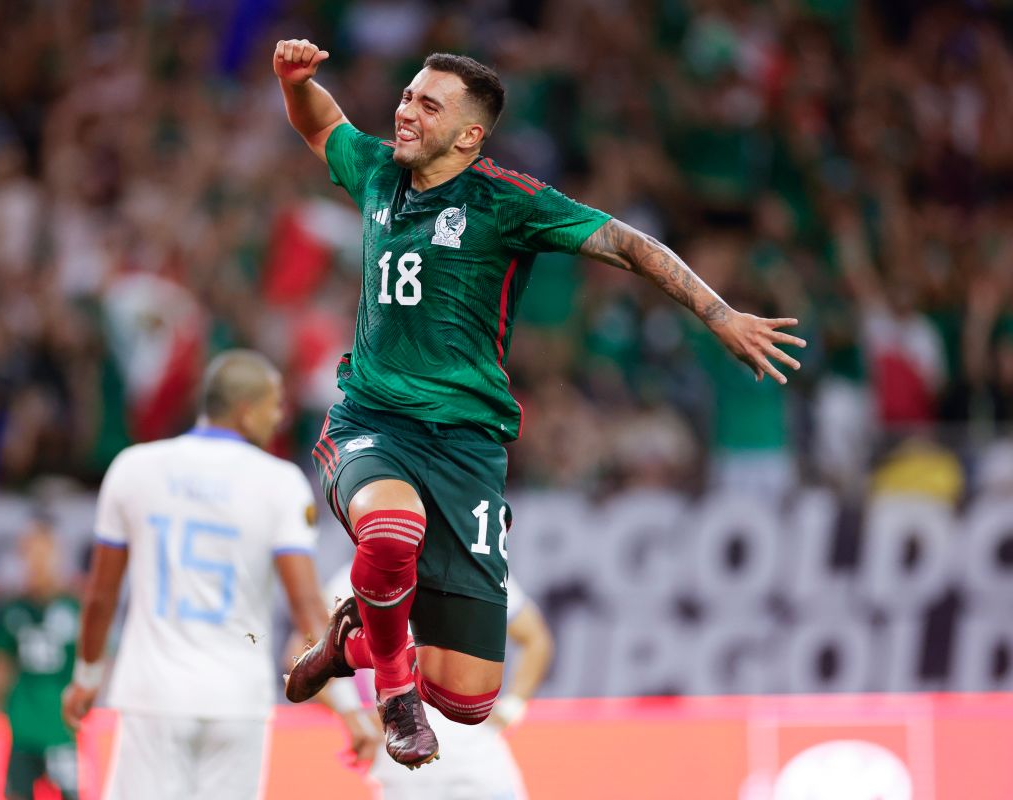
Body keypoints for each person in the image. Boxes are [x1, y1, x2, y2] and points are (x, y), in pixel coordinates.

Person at [273, 39, 807, 768]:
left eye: (427, 105)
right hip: (374, 423)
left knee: (468, 698)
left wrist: (719, 315)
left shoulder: (506, 201)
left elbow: (625, 243)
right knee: (391, 530)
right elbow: (319, 122)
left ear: (469, 134)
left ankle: (355, 642)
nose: (403, 112)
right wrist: (293, 79)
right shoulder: (373, 170)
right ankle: (394, 690)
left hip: (468, 448)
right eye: (406, 96)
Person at [61, 349, 379, 800]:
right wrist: (348, 709)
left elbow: (100, 596)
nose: (281, 416)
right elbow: (306, 606)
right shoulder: (279, 482)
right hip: (238, 700)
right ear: (246, 411)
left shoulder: (133, 468)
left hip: (154, 696)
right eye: (274, 404)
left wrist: (87, 678)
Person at [323, 563, 552, 800]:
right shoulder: (474, 563)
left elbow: (535, 639)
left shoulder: (475, 564)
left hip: (470, 764)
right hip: (412, 772)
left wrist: (511, 708)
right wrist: (354, 716)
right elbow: (304, 652)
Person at [0, 518, 81, 800]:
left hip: (63, 729)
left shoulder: (75, 607)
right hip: (22, 728)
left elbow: (98, 660)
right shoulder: (13, 610)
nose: (36, 563)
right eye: (29, 555)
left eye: (42, 554)